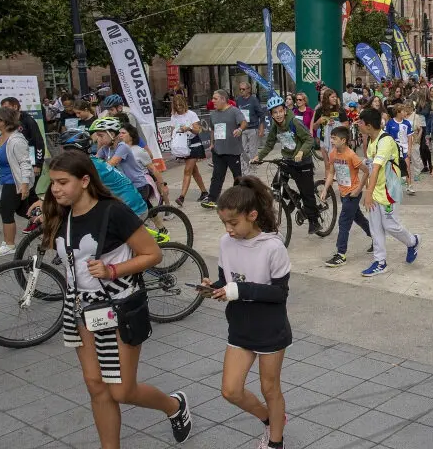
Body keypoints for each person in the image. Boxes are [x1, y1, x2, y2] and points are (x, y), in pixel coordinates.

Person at [42, 150, 192, 449]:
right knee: (96, 386)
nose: (55, 189)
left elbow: (153, 254)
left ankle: (174, 406)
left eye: (62, 182)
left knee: (122, 390)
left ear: (85, 181)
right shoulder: (61, 211)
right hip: (80, 307)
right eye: (53, 182)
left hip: (118, 306)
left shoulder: (113, 212)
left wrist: (113, 270)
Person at [200, 177, 290, 449]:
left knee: (270, 388)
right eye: (224, 223)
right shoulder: (225, 243)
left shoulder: (273, 247)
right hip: (240, 325)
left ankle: (275, 442)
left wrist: (238, 289)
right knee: (230, 390)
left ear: (252, 215)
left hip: (270, 328)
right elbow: (226, 279)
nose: (228, 229)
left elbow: (280, 294)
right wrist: (215, 288)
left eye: (233, 223)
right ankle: (271, 419)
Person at [358, 107, 421, 277]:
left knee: (390, 225)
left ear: (369, 125)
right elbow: (370, 168)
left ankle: (413, 241)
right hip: (375, 190)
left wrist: (368, 193)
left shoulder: (385, 141)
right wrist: (365, 189)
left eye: (360, 122)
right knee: (375, 227)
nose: (358, 124)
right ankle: (380, 262)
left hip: (388, 192)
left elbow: (376, 168)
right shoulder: (371, 142)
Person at [254, 96, 320, 234]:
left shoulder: (294, 122)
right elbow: (269, 144)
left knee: (307, 193)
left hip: (303, 162)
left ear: (285, 110)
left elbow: (309, 139)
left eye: (280, 111)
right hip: (288, 160)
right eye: (275, 112)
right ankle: (293, 196)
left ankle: (314, 221)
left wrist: (301, 152)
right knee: (276, 185)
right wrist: (259, 157)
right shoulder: (275, 126)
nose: (278, 115)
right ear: (271, 114)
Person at [0, 107, 37, 256]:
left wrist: (24, 185)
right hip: (5, 180)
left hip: (14, 181)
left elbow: (25, 163)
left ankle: (9, 245)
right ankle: (50, 223)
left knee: (5, 211)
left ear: (4, 121)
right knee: (23, 210)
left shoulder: (16, 140)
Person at [58, 129, 148, 218]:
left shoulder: (88, 166)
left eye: (64, 150)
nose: (62, 154)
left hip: (133, 208)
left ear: (74, 150)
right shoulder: (90, 161)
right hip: (129, 202)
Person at [323, 126, 373, 267]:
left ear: (343, 140)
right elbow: (331, 172)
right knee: (359, 218)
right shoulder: (333, 154)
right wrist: (325, 189)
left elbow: (366, 171)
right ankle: (376, 237)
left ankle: (341, 254)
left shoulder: (351, 155)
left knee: (343, 222)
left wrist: (359, 189)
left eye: (334, 138)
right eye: (331, 138)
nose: (331, 141)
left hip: (352, 194)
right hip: (343, 193)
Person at [91, 117, 153, 207]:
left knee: (129, 212)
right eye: (97, 136)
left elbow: (110, 165)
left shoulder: (123, 147)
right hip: (125, 187)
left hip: (138, 186)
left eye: (101, 136)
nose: (99, 139)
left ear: (112, 134)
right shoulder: (105, 148)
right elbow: (94, 162)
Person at [203, 90, 247, 209]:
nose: (212, 101)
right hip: (218, 151)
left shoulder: (234, 111)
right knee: (217, 176)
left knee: (237, 177)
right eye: (212, 98)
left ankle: (240, 199)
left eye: (215, 98)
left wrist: (240, 130)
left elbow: (244, 122)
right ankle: (212, 199)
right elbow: (213, 130)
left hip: (233, 150)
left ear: (223, 99)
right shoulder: (213, 114)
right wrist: (212, 143)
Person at [168, 95, 209, 207]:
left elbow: (198, 130)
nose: (179, 108)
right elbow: (172, 132)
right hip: (182, 146)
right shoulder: (174, 116)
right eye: (176, 106)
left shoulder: (191, 114)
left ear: (184, 104)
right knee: (194, 171)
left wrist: (189, 128)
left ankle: (181, 197)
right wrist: (175, 135)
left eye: (180, 105)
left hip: (194, 144)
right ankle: (204, 192)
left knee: (187, 170)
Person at [235, 81, 266, 177]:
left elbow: (261, 114)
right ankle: (244, 170)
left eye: (243, 89)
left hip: (253, 128)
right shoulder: (238, 100)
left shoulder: (254, 100)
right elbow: (236, 113)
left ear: (249, 90)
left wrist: (261, 128)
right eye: (240, 89)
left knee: (253, 150)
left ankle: (253, 170)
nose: (241, 91)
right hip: (242, 129)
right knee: (242, 150)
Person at [386, 104, 415, 195]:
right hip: (394, 149)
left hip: (404, 149)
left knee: (407, 167)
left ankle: (409, 185)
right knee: (394, 168)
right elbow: (387, 137)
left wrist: (409, 150)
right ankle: (393, 186)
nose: (405, 113)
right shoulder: (390, 123)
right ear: (398, 112)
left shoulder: (407, 123)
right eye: (403, 111)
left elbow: (409, 138)